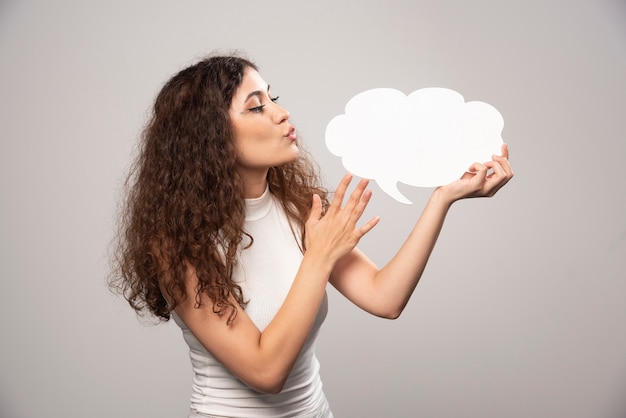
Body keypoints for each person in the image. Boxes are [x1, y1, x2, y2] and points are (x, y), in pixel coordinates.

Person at [109, 53, 513, 418]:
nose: (282, 113)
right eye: (256, 107)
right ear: (209, 138)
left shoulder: (298, 207)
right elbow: (266, 371)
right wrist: (318, 257)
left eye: (273, 97)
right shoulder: (176, 246)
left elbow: (385, 298)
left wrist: (443, 198)